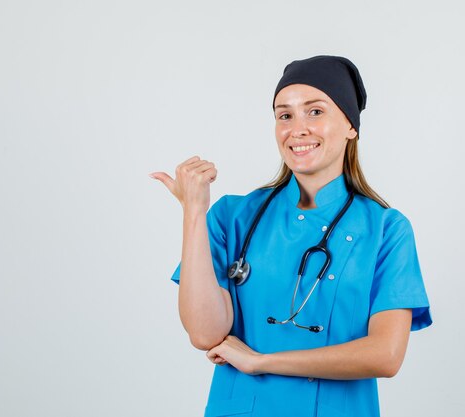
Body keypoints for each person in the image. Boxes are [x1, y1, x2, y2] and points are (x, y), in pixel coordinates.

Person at [151, 55, 432, 417]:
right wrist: (193, 211)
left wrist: (263, 361)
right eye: (285, 115)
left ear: (351, 126)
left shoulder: (386, 230)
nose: (297, 128)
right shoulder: (232, 216)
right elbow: (205, 334)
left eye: (315, 112)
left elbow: (386, 355)